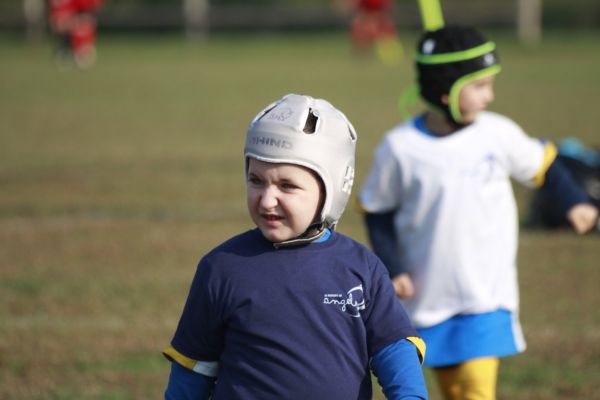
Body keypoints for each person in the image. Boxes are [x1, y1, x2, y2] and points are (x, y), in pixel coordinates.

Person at [358, 26, 599, 400]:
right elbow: (377, 210)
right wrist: (393, 267)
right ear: (445, 89)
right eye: (479, 86)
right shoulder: (400, 148)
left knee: (475, 390)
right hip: (424, 301)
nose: (491, 96)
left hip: (486, 297)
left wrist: (575, 202)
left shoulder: (497, 135)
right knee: (447, 389)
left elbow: (545, 165)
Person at [163, 94, 428, 399]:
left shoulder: (361, 268)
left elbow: (393, 347)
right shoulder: (222, 267)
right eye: (256, 180)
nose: (266, 200)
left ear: (332, 188)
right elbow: (193, 370)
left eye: (287, 186)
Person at [47, 0, 103, 68]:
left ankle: (82, 49)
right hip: (62, 19)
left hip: (71, 16)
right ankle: (69, 50)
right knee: (78, 23)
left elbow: (88, 7)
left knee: (84, 22)